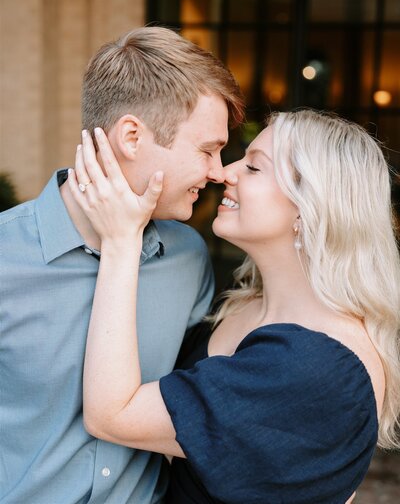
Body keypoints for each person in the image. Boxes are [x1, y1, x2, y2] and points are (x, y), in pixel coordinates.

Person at [68, 109, 400, 504]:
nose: (225, 172)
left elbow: (112, 415)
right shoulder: (244, 302)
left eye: (255, 167)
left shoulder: (316, 367)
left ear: (308, 206)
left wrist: (122, 242)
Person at [0, 27, 245, 504]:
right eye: (207, 149)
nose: (219, 171)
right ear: (132, 136)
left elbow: (196, 408)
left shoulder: (187, 258)